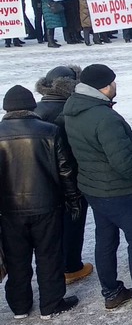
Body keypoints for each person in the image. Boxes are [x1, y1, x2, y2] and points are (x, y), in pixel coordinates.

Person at [63, 64, 132, 311]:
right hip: (118, 190)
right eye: (113, 82)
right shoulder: (104, 118)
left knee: (105, 238)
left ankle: (112, 291)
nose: (115, 86)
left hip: (93, 187)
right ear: (103, 86)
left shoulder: (73, 109)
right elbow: (122, 159)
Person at [0, 85, 82, 319]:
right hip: (47, 205)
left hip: (10, 210)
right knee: (49, 255)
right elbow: (65, 170)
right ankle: (51, 303)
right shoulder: (49, 131)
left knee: (16, 258)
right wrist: (73, 199)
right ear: (31, 106)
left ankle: (19, 306)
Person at [33, 66, 93, 286]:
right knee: (73, 221)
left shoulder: (35, 110)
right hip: (70, 177)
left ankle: (55, 268)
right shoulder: (69, 110)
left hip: (40, 181)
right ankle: (71, 266)